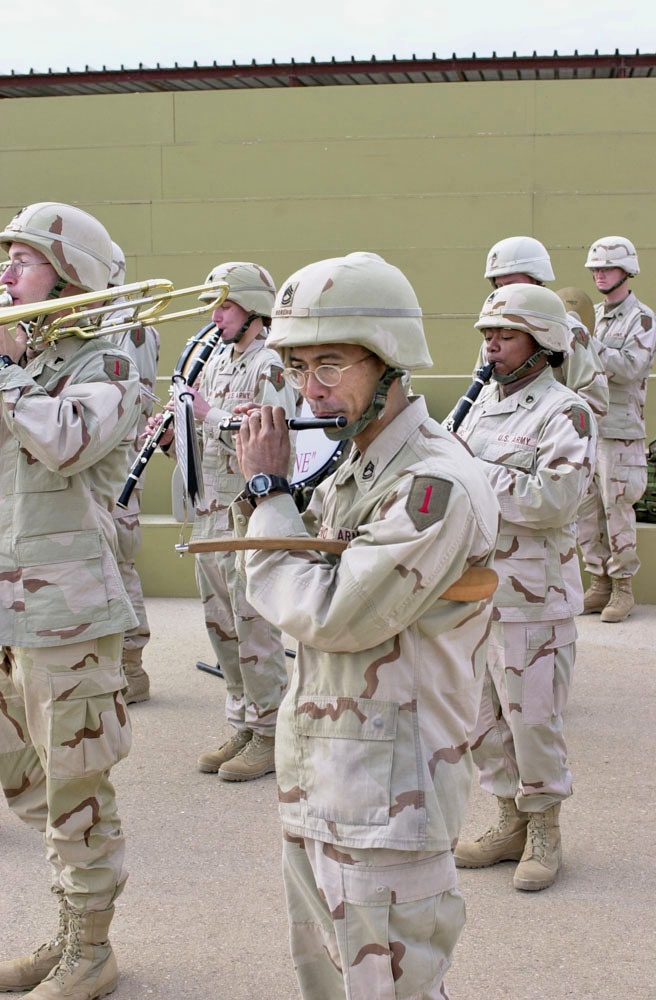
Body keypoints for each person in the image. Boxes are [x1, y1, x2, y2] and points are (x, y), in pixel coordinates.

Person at [231, 251, 500, 999]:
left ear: (389, 361)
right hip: (329, 778)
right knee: (329, 981)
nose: (308, 388)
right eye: (295, 366)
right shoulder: (358, 466)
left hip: (390, 798)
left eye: (330, 364)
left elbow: (333, 614)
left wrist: (267, 490)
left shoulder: (431, 485)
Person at [0, 203, 141, 998]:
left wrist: (6, 369)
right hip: (8, 600)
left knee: (76, 786)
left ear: (71, 274)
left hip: (69, 611)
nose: (5, 272)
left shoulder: (110, 362)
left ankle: (91, 949)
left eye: (21, 259)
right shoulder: (23, 355)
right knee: (27, 779)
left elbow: (67, 441)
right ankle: (67, 925)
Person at [451, 284, 597, 892]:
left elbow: (554, 500)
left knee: (532, 719)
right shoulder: (479, 404)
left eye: (504, 335)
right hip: (473, 592)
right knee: (481, 719)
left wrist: (473, 472)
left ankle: (545, 829)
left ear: (540, 343)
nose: (491, 346)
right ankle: (508, 820)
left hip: (532, 597)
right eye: (487, 334)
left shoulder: (566, 411)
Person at [148, 261, 297, 781]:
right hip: (210, 510)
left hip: (248, 513)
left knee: (254, 624)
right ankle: (244, 720)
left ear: (255, 310)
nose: (216, 316)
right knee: (221, 626)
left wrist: (208, 413)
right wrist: (173, 439)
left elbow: (271, 432)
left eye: (226, 305)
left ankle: (273, 731)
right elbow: (207, 447)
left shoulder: (271, 363)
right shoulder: (214, 361)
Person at [577, 236, 656, 622]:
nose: (600, 274)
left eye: (607, 268)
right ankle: (598, 584)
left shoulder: (642, 318)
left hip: (621, 431)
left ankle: (623, 589)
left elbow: (630, 367)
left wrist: (587, 342)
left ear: (627, 270)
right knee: (585, 510)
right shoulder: (589, 314)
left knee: (617, 509)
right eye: (595, 268)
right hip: (586, 428)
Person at [103, 241, 160, 703]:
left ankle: (131, 667)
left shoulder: (131, 323)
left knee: (119, 559)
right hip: (96, 456)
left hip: (117, 458)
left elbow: (135, 398)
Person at [476, 235, 609, 420]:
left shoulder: (567, 330)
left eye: (512, 284)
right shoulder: (494, 334)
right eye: (498, 286)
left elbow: (594, 402)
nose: (504, 293)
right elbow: (482, 394)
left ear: (537, 279)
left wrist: (548, 431)